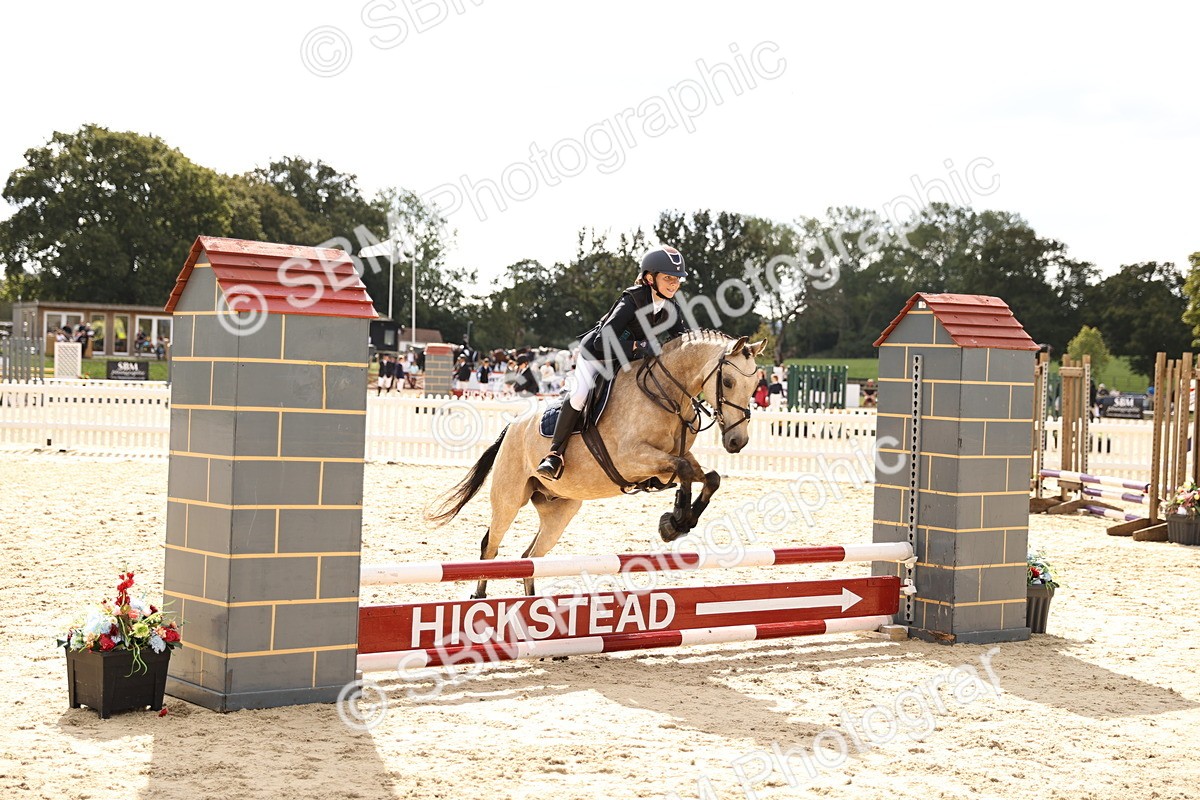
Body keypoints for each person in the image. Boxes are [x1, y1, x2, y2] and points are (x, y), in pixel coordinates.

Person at [536, 244, 692, 480]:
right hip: (597, 355)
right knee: (580, 395)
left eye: (677, 279)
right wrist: (639, 346)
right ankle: (555, 455)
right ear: (650, 278)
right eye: (669, 278)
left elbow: (684, 339)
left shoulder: (670, 306)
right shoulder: (631, 301)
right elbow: (602, 341)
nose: (674, 284)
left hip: (626, 360)